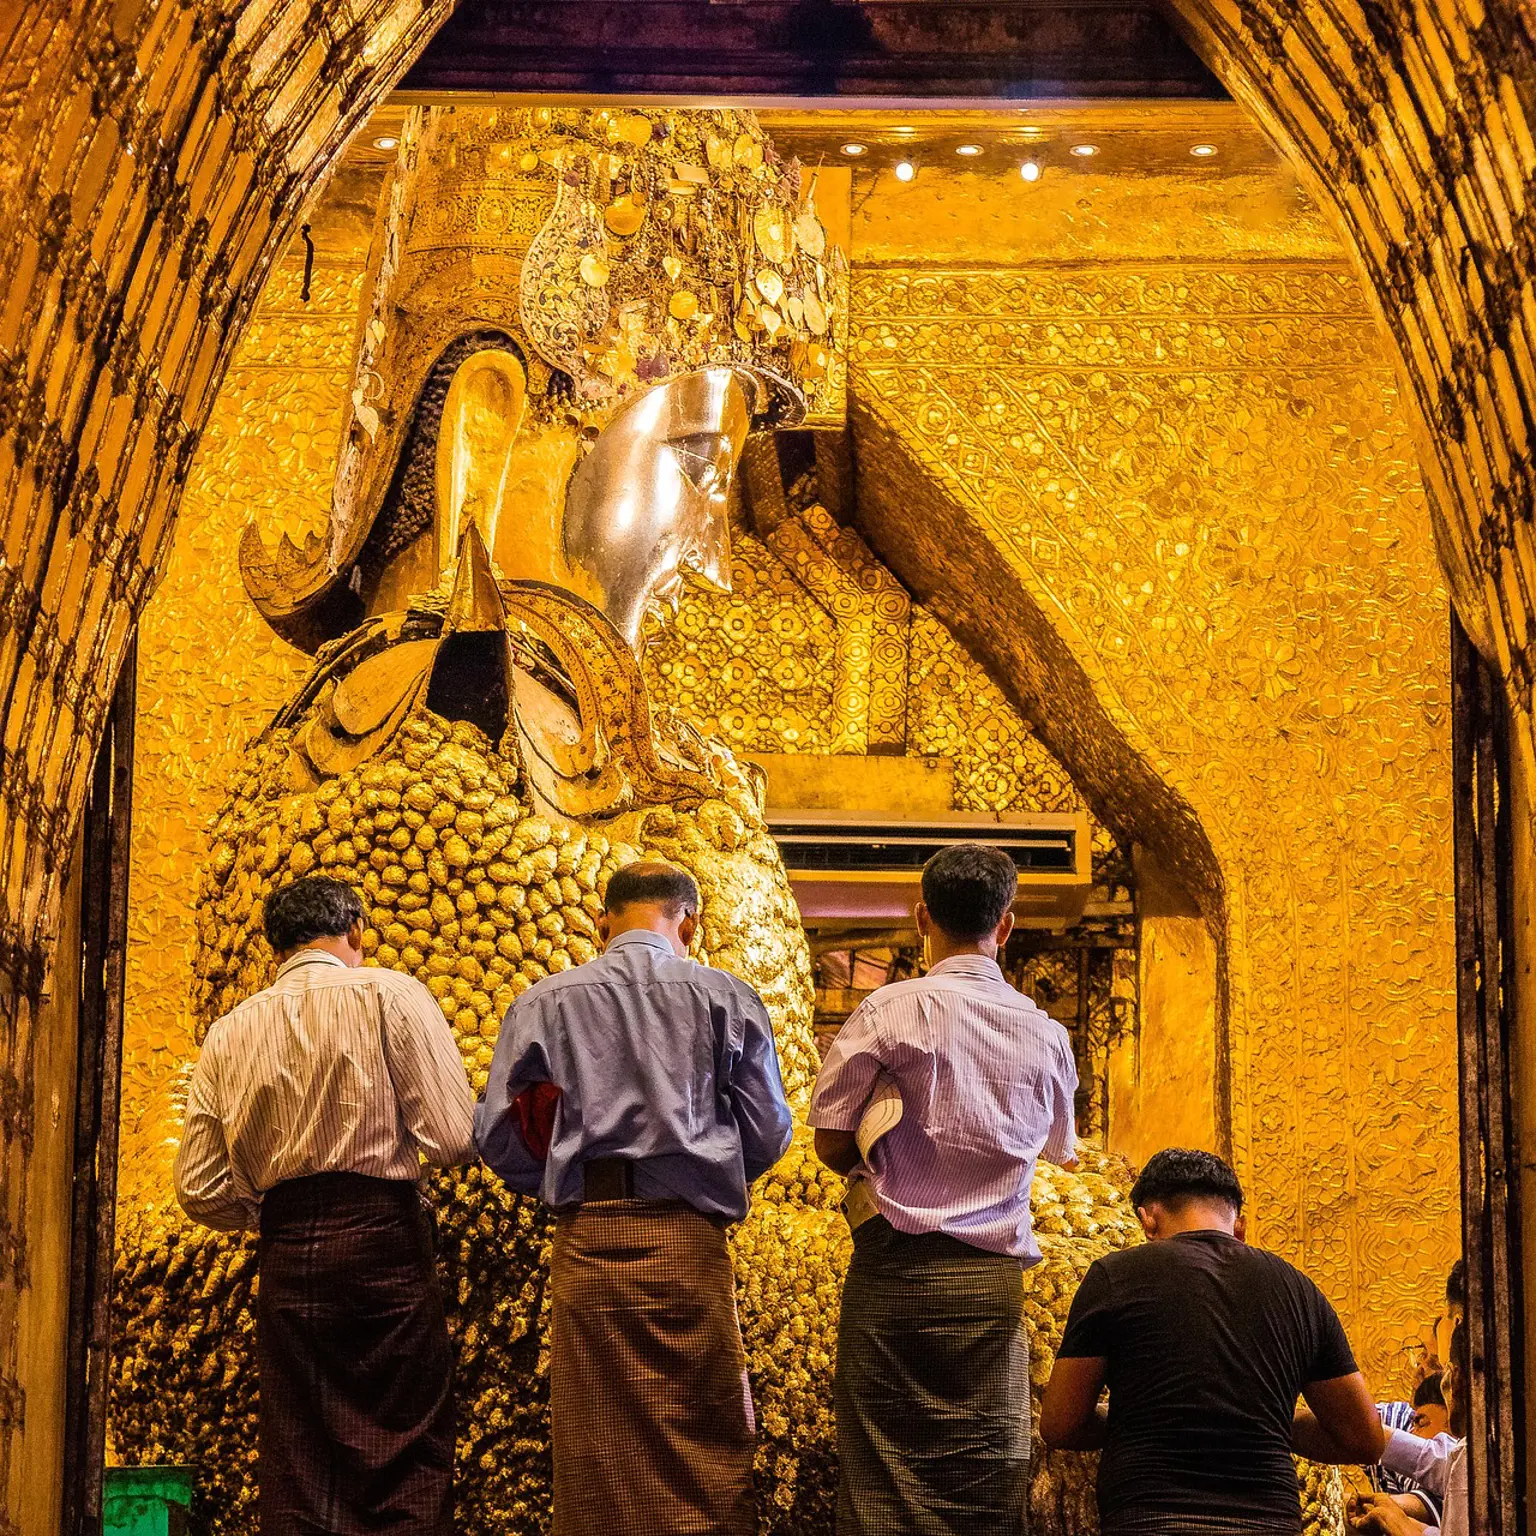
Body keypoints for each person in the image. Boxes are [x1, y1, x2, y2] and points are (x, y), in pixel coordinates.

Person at [475, 860, 793, 1536]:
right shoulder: (725, 996)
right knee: (703, 1434)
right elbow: (769, 1130)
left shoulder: (546, 1001)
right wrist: (712, 1173)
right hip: (688, 1241)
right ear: (689, 923)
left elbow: (496, 1133)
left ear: (603, 922)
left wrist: (559, 1183)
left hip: (587, 1240)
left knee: (597, 1451)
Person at [174, 875, 476, 1536]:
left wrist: (271, 1213)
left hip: (288, 1253)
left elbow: (197, 1186)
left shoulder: (229, 1032)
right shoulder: (391, 994)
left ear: (273, 948)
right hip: (384, 1244)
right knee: (406, 1449)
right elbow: (453, 1138)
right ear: (358, 932)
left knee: (301, 1460)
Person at [809, 842, 1079, 1536]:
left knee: (880, 1465)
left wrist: (879, 1155)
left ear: (921, 917)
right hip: (990, 1285)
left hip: (894, 1271)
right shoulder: (1046, 1034)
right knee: (986, 1467)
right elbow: (1057, 1149)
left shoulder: (887, 1012)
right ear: (1008, 925)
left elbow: (830, 1139)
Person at [1041, 1147, 1385, 1535]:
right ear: (1240, 1225)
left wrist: (1142, 1418)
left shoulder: (1114, 1276)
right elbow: (1364, 1440)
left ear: (1147, 1220)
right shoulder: (1299, 1291)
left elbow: (1060, 1425)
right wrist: (1256, 1421)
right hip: (1270, 1523)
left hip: (1150, 1521)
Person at [1347, 1315, 1468, 1536]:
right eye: (1422, 1356)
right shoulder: (1464, 1454)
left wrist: (1401, 1525)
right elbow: (1435, 1461)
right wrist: (1393, 1518)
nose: (1445, 1382)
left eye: (1439, 1365)